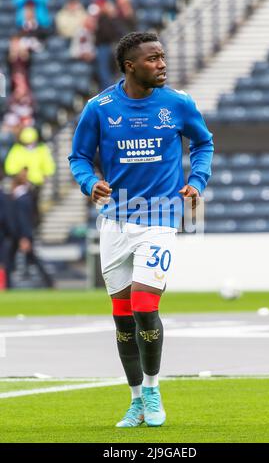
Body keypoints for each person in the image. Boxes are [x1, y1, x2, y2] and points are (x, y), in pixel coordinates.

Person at [69, 32, 214, 428]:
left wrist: (197, 181)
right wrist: (89, 182)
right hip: (115, 223)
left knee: (144, 307)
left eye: (163, 56)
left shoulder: (178, 104)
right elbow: (79, 156)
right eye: (152, 59)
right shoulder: (99, 109)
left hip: (160, 219)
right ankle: (135, 399)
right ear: (130, 66)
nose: (162, 64)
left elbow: (204, 143)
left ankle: (152, 389)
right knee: (121, 318)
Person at [4, 126, 56, 225]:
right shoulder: (17, 150)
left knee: (34, 205)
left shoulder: (41, 149)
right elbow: (10, 167)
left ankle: (35, 223)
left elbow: (48, 165)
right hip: (22, 184)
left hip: (36, 184)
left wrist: (46, 174)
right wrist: (19, 175)